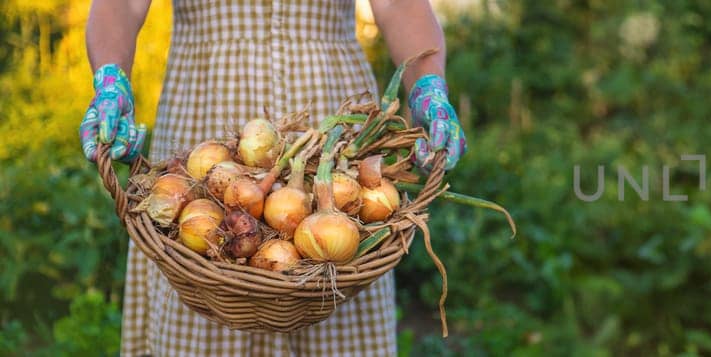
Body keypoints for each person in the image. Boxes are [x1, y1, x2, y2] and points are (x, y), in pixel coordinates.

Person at [78, 0, 465, 355]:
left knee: (334, 261)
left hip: (329, 134)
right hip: (203, 132)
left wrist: (429, 88)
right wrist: (112, 80)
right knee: (199, 250)